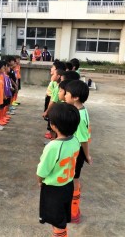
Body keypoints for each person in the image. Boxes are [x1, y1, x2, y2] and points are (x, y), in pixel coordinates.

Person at [37, 103, 80, 237]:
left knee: (56, 218)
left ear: (54, 126)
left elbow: (41, 172)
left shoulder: (53, 146)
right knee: (61, 215)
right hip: (68, 184)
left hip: (54, 188)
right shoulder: (75, 140)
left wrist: (40, 181)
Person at [65, 80, 92, 223]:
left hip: (78, 152)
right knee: (73, 178)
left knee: (75, 179)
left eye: (67, 94)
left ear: (75, 97)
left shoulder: (79, 117)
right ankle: (71, 206)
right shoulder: (81, 109)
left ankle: (74, 211)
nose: (64, 96)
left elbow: (84, 139)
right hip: (76, 150)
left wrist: (87, 155)